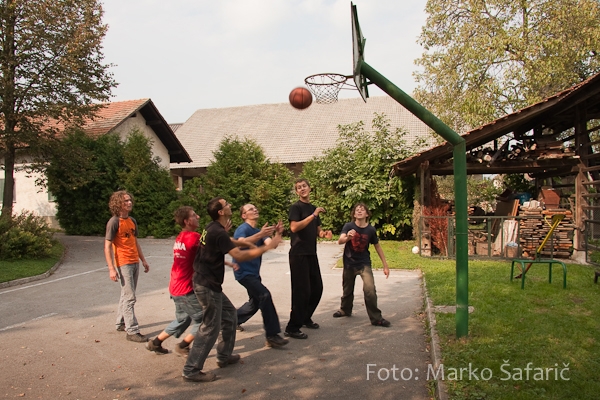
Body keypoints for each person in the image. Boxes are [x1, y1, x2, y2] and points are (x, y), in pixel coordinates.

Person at [183, 197, 282, 383]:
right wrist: (265, 248)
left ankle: (224, 356)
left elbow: (231, 242)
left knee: (230, 316)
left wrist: (255, 239)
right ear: (221, 212)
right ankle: (191, 369)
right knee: (210, 327)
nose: (230, 205)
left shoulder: (213, 228)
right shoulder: (217, 232)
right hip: (206, 285)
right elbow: (239, 255)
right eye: (226, 204)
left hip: (209, 283)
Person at [146, 206, 204, 356]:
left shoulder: (180, 237)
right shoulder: (194, 237)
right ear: (187, 221)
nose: (197, 217)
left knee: (182, 319)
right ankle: (183, 346)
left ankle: (155, 343)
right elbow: (210, 250)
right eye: (194, 215)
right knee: (205, 319)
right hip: (185, 290)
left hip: (175, 286)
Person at [234, 204, 289, 348]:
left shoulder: (259, 231)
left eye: (255, 208)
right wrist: (260, 235)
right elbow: (240, 243)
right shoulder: (243, 229)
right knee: (265, 295)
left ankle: (231, 321)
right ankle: (272, 336)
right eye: (251, 209)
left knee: (255, 302)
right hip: (243, 273)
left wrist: (278, 233)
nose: (255, 210)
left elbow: (272, 245)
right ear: (244, 215)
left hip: (253, 273)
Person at [285, 178, 332, 340]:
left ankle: (305, 317)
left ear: (309, 188)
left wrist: (324, 234)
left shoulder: (313, 209)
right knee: (301, 291)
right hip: (298, 254)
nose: (302, 189)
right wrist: (313, 215)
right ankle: (292, 327)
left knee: (317, 288)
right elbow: (294, 227)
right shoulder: (296, 208)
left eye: (304, 186)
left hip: (311, 253)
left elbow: (318, 231)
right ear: (297, 192)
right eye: (299, 187)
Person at [334, 203, 391, 327]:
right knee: (347, 289)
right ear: (354, 214)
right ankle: (345, 310)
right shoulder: (348, 226)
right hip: (349, 263)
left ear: (367, 214)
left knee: (370, 290)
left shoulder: (370, 230)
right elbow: (340, 241)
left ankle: (376, 318)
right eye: (357, 210)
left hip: (364, 264)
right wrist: (348, 237)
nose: (359, 211)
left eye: (362, 209)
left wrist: (385, 265)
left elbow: (377, 247)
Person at [104, 190, 150, 343]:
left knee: (126, 294)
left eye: (130, 200)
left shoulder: (132, 221)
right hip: (123, 263)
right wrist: (111, 268)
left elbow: (135, 242)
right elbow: (107, 246)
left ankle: (121, 322)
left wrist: (143, 260)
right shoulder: (114, 222)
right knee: (130, 297)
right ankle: (132, 330)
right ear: (118, 204)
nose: (129, 203)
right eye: (125, 201)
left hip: (134, 261)